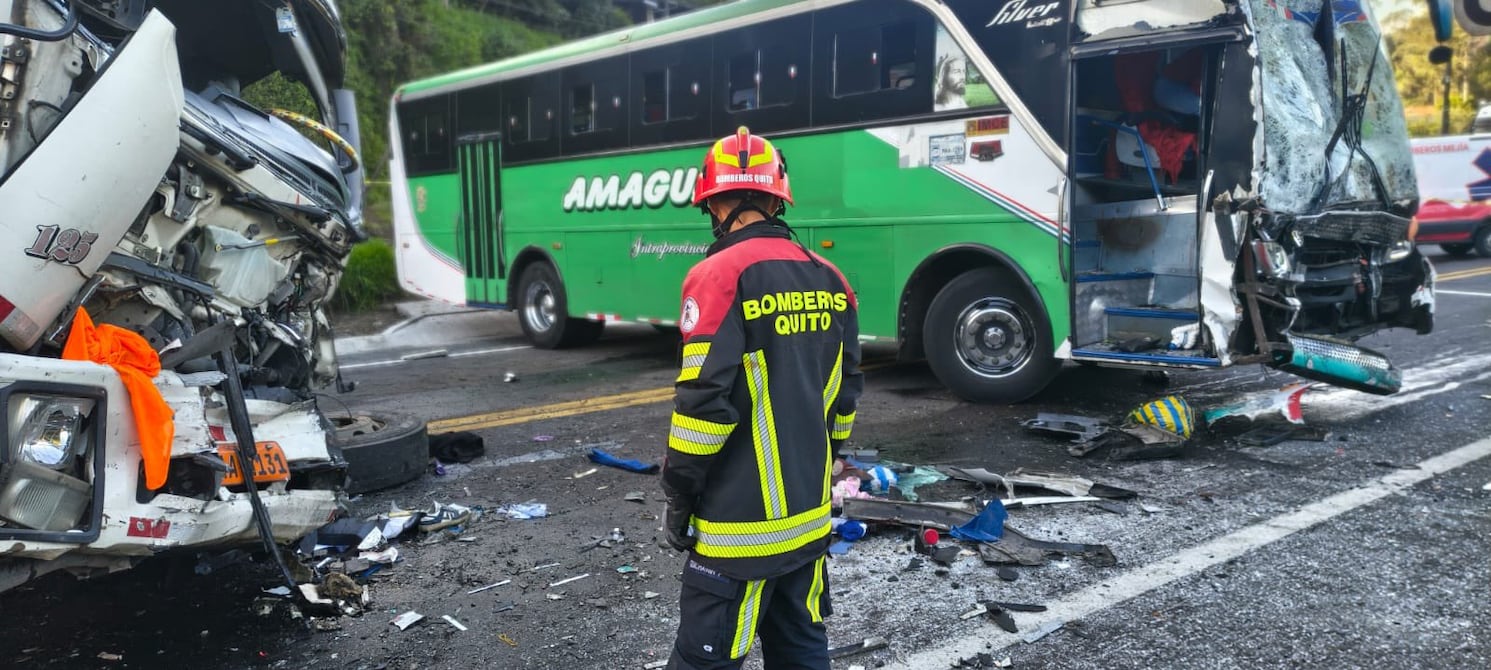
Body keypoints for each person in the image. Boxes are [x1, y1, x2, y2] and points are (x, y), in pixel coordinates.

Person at [661, 126, 864, 670]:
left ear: (714, 204)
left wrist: (679, 494)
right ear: (778, 200)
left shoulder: (717, 275)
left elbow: (703, 407)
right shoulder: (832, 279)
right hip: (809, 522)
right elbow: (844, 400)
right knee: (801, 651)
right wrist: (823, 464)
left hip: (737, 534)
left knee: (703, 660)